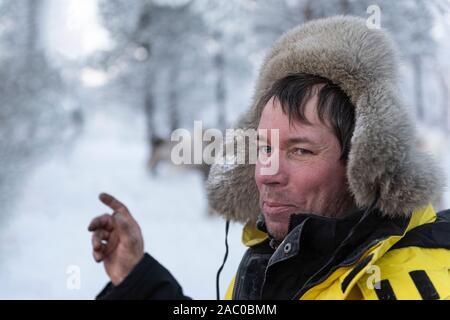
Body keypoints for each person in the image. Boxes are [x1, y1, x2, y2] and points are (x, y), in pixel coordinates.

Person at [88, 16, 450, 300]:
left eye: (300, 150)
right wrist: (137, 280)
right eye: (263, 148)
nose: (267, 174)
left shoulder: (416, 285)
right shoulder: (277, 256)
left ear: (363, 161)